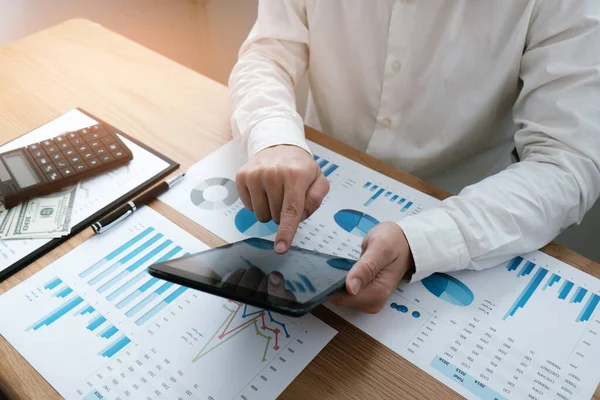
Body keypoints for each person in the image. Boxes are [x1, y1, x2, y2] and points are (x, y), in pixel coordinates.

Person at [228, 1, 600, 313]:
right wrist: (273, 135)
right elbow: (268, 50)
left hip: (471, 227)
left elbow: (566, 160)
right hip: (315, 198)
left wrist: (425, 241)